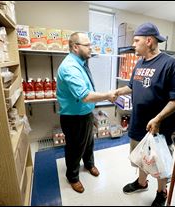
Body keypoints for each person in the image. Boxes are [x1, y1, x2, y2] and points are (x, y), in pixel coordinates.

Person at [115, 22, 175, 206]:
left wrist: (157, 118)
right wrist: (116, 92)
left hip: (160, 128)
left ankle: (161, 192)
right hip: (138, 123)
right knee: (141, 158)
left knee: (159, 164)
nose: (133, 44)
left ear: (149, 41)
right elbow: (132, 86)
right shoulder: (140, 63)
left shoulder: (170, 64)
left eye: (136, 40)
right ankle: (141, 183)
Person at [56, 32, 116, 193]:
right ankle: (73, 176)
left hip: (85, 114)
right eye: (87, 45)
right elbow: (84, 95)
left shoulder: (81, 63)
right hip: (74, 117)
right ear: (76, 47)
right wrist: (107, 95)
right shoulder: (69, 67)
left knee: (89, 143)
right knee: (75, 148)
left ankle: (89, 164)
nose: (91, 48)